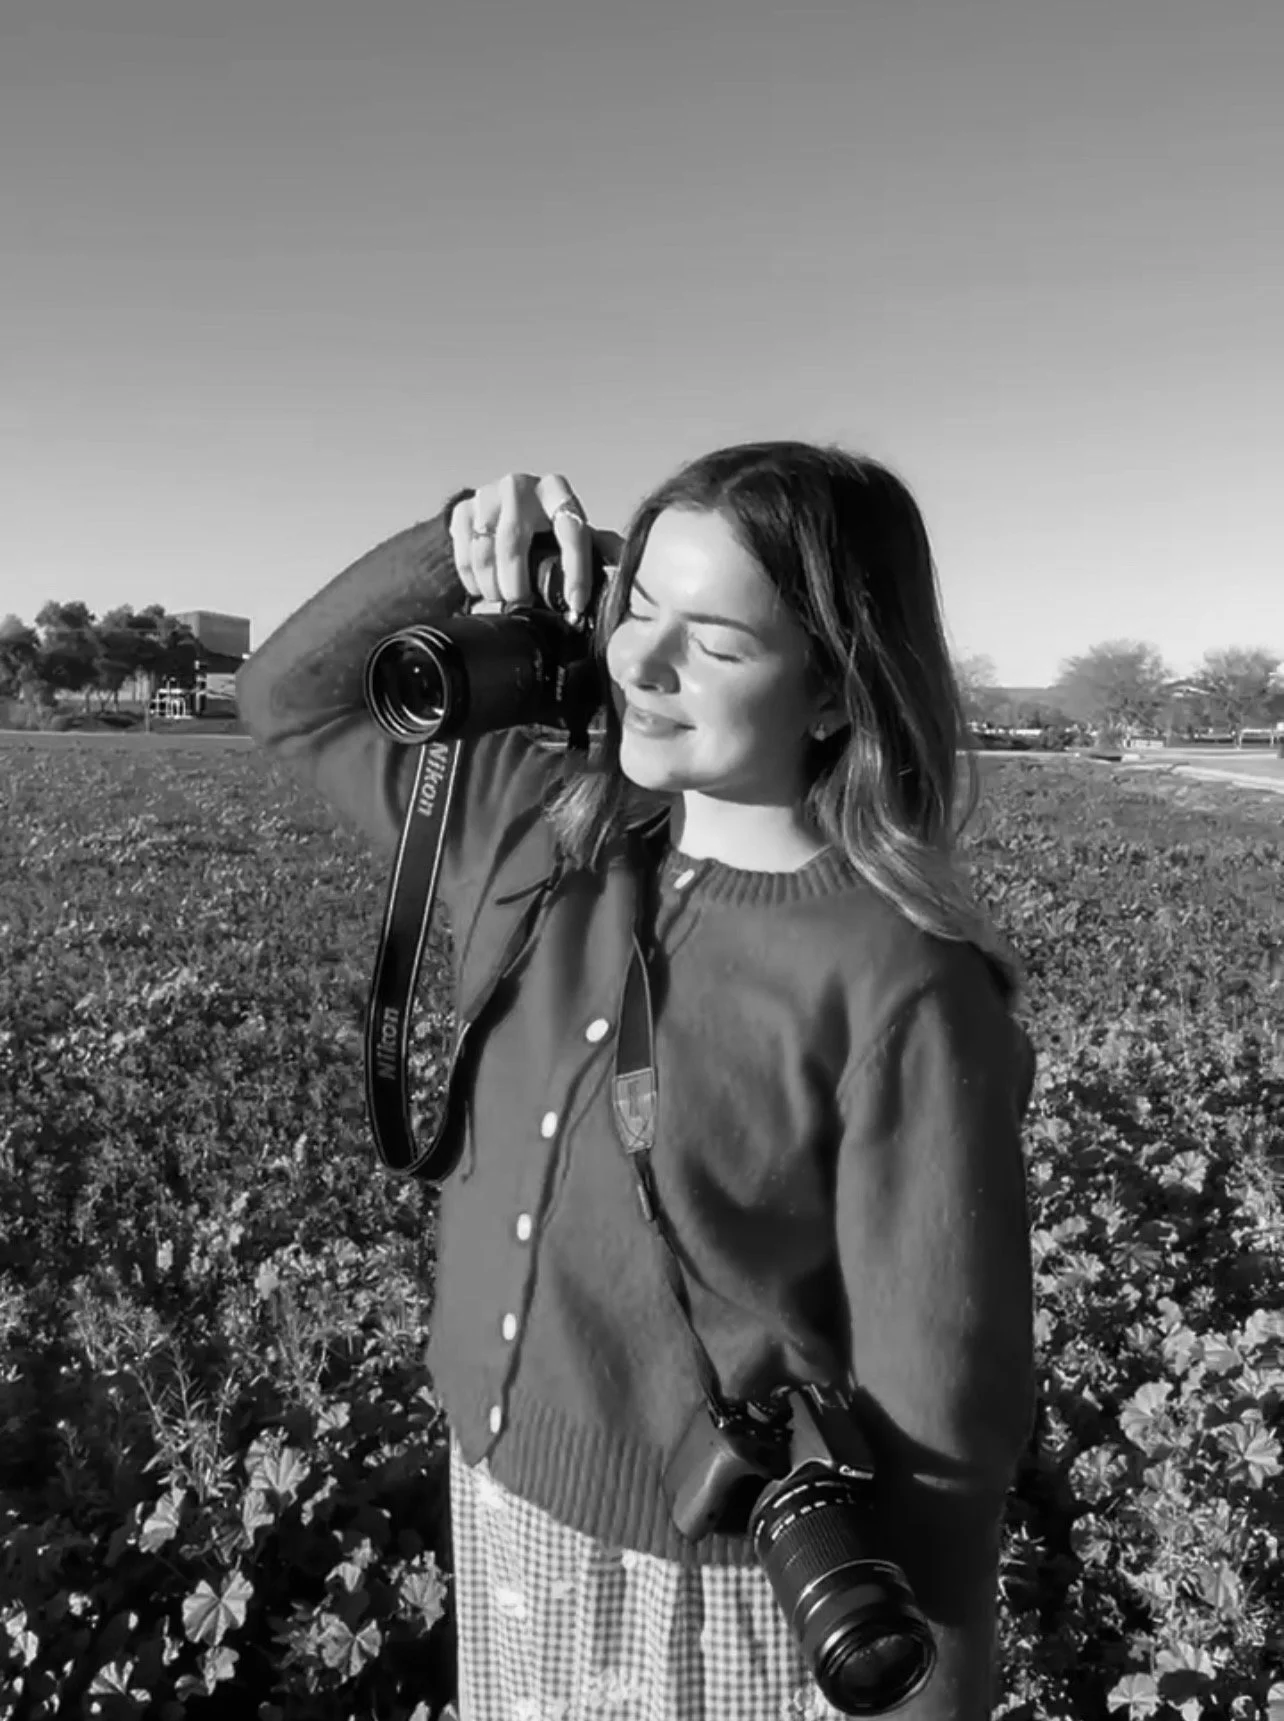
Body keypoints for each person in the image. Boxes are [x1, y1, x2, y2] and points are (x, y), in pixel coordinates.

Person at [236, 441, 1037, 1721]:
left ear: (834, 688)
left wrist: (927, 1696)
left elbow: (944, 1414)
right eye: (638, 607)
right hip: (504, 1501)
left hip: (709, 1589)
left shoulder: (904, 983)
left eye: (715, 642)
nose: (643, 663)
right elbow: (287, 695)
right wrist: (457, 546)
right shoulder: (533, 825)